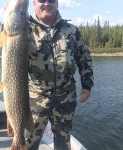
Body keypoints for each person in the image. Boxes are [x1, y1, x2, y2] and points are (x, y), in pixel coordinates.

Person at [25, 0, 94, 149]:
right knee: (29, 141)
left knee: (63, 141)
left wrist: (87, 85)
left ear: (57, 3)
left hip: (66, 97)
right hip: (35, 97)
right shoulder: (24, 29)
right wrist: (10, 14)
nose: (47, 3)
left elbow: (84, 57)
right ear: (33, 3)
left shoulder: (71, 30)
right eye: (42, 0)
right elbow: (2, 47)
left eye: (51, 0)